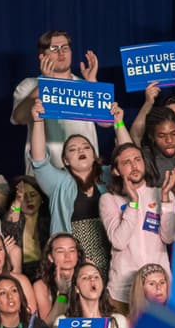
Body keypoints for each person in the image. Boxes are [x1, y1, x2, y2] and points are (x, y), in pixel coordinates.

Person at [29, 92, 121, 276]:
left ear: (94, 155)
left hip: (110, 256)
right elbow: (39, 160)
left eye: (86, 147)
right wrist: (38, 122)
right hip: (73, 260)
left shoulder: (107, 176)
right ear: (66, 160)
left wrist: (119, 123)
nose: (81, 150)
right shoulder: (58, 182)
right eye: (73, 149)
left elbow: (127, 157)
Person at [100, 143, 175, 311]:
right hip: (123, 291)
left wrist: (165, 200)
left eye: (137, 159)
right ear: (116, 170)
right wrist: (133, 203)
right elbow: (119, 241)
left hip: (160, 290)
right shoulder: (109, 199)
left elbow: (169, 237)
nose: (134, 165)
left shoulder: (162, 193)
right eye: (127, 162)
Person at [11, 29, 100, 170]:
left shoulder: (85, 85)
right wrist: (46, 83)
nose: (61, 53)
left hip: (84, 174)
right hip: (43, 174)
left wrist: (93, 84)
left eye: (65, 48)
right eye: (54, 49)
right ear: (42, 56)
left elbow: (107, 123)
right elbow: (19, 118)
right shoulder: (29, 85)